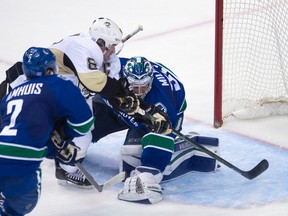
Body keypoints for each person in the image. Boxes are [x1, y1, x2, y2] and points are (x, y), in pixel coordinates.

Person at [0, 17, 143, 188]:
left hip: (51, 93)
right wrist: (120, 90)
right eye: (111, 45)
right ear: (100, 41)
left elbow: (99, 79)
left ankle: (65, 168)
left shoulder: (96, 53)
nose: (113, 50)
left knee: (84, 131)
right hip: (25, 88)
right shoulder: (82, 46)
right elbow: (95, 82)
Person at [91, 56, 219, 204]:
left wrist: (149, 171)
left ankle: (159, 168)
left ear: (150, 82)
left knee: (137, 152)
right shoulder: (113, 70)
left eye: (143, 87)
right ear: (125, 79)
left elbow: (164, 131)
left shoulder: (161, 102)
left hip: (164, 112)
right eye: (135, 87)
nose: (139, 92)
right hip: (124, 105)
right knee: (85, 121)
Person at [0, 47, 94, 215]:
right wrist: (64, 136)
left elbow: (22, 131)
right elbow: (84, 123)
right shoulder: (58, 84)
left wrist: (54, 148)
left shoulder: (11, 95)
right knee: (19, 207)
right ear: (50, 69)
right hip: (22, 161)